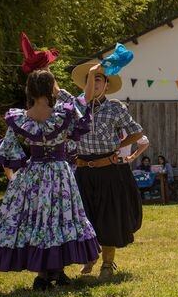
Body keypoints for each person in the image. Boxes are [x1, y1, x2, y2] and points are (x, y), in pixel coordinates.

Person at [0, 70, 99, 290]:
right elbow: (86, 98)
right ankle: (57, 271)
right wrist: (92, 75)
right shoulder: (63, 114)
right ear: (49, 88)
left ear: (30, 90)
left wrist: (13, 179)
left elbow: (8, 152)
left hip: (33, 175)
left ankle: (44, 274)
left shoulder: (21, 118)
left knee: (36, 220)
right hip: (59, 174)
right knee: (60, 219)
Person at [59, 59, 144, 281]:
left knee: (109, 217)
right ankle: (90, 257)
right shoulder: (75, 106)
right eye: (91, 79)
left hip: (109, 170)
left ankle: (107, 262)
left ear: (106, 84)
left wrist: (118, 146)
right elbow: (56, 94)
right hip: (82, 171)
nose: (95, 83)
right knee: (85, 217)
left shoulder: (116, 107)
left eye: (99, 79)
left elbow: (136, 132)